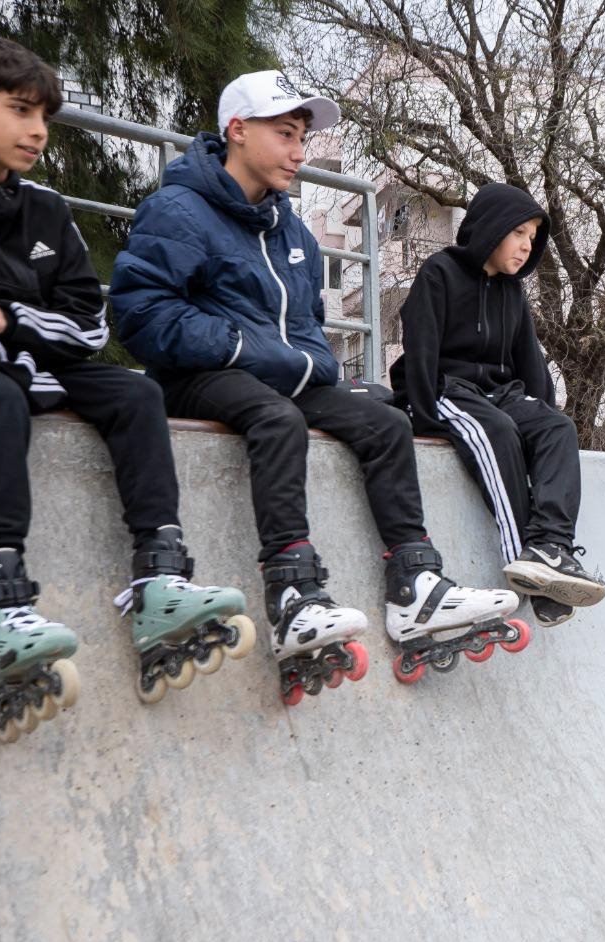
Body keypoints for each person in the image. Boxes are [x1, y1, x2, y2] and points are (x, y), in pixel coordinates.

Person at [0, 34, 251, 739]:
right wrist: (20, 338)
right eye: (20, 111)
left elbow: (89, 325)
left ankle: (159, 577)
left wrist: (10, 319)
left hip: (19, 358)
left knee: (136, 394)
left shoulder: (45, 208)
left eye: (45, 117)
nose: (37, 131)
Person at [108, 70, 522, 700]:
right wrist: (243, 348)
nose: (300, 151)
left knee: (386, 421)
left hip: (284, 378)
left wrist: (311, 365)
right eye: (286, 134)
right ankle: (294, 593)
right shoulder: (177, 210)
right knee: (277, 420)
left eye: (302, 135)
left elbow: (306, 327)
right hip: (199, 378)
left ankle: (415, 587)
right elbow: (141, 314)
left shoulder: (291, 232)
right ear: (238, 131)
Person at [392, 182, 605, 628]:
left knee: (558, 428)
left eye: (533, 237)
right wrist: (425, 410)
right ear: (492, 230)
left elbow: (530, 361)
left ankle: (551, 547)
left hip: (499, 394)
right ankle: (530, 573)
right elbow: (420, 343)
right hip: (447, 390)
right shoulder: (440, 272)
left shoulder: (512, 292)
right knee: (498, 433)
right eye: (519, 234)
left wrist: (542, 417)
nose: (527, 245)